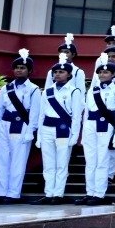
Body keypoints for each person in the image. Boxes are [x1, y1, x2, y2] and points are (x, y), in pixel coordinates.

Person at [0, 49, 41, 204]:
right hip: (5, 125)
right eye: (17, 68)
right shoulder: (6, 88)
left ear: (29, 71)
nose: (19, 70)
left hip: (22, 125)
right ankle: (1, 193)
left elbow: (35, 112)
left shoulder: (33, 89)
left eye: (22, 68)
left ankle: (13, 194)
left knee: (18, 161)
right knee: (1, 160)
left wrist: (31, 130)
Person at [36, 56, 83, 204]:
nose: (57, 74)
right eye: (55, 72)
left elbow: (76, 116)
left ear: (68, 74)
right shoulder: (47, 91)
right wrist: (39, 136)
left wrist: (74, 136)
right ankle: (49, 193)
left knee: (62, 163)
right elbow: (41, 114)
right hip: (47, 128)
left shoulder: (74, 91)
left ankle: (58, 194)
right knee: (48, 163)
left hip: (63, 129)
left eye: (61, 72)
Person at [79, 62, 115, 205]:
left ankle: (99, 194)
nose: (102, 75)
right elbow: (86, 112)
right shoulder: (93, 90)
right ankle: (89, 192)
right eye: (100, 73)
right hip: (90, 125)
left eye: (106, 72)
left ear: (113, 74)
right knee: (90, 161)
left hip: (106, 125)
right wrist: (84, 132)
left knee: (102, 160)